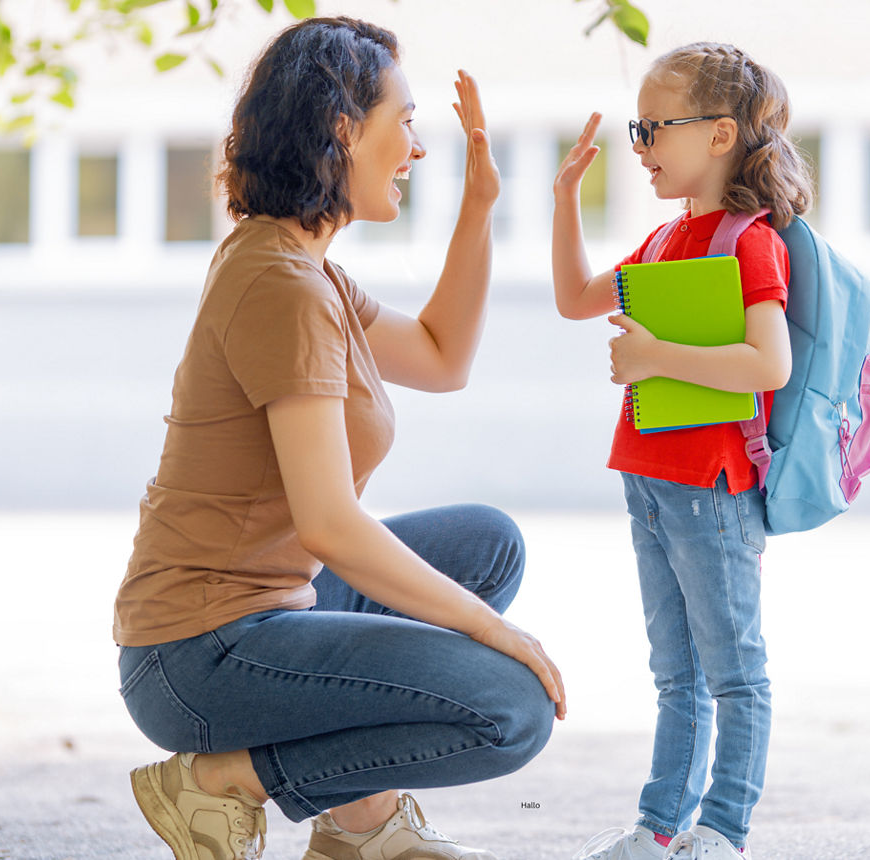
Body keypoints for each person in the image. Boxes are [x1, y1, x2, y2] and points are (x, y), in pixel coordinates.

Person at [113, 17, 565, 860]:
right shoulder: (282, 285)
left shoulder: (305, 268)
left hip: (272, 610)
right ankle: (223, 780)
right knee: (510, 709)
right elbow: (329, 523)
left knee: (486, 545)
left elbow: (441, 357)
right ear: (342, 128)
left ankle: (358, 828)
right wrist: (490, 630)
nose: (417, 148)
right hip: (200, 654)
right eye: (407, 122)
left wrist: (479, 208)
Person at [550, 42, 813, 860]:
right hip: (651, 479)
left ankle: (723, 830)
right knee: (676, 673)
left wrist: (655, 356)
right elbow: (575, 299)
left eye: (653, 128)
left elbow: (768, 364)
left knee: (734, 672)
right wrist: (565, 198)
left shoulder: (748, 242)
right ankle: (661, 826)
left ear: (720, 134)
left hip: (714, 486)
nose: (641, 146)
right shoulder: (664, 239)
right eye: (639, 130)